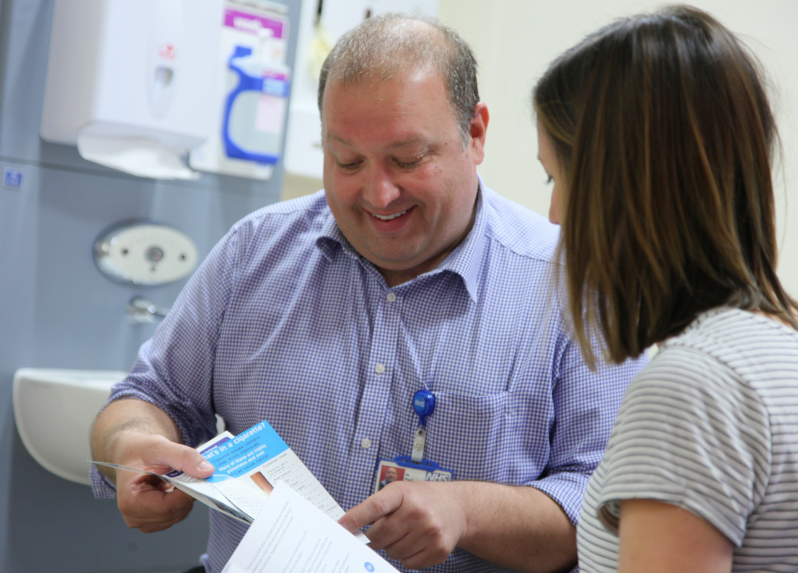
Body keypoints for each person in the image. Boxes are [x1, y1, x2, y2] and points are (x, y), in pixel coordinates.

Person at [91, 14, 646, 573]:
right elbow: (151, 396)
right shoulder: (255, 252)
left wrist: (468, 513)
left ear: (475, 134)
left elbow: (609, 515)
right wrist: (131, 445)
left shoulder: (574, 284)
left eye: (408, 159)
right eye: (347, 161)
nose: (378, 193)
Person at [533, 5, 798, 572]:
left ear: (619, 188)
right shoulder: (777, 348)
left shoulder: (691, 386)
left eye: (558, 179)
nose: (554, 215)